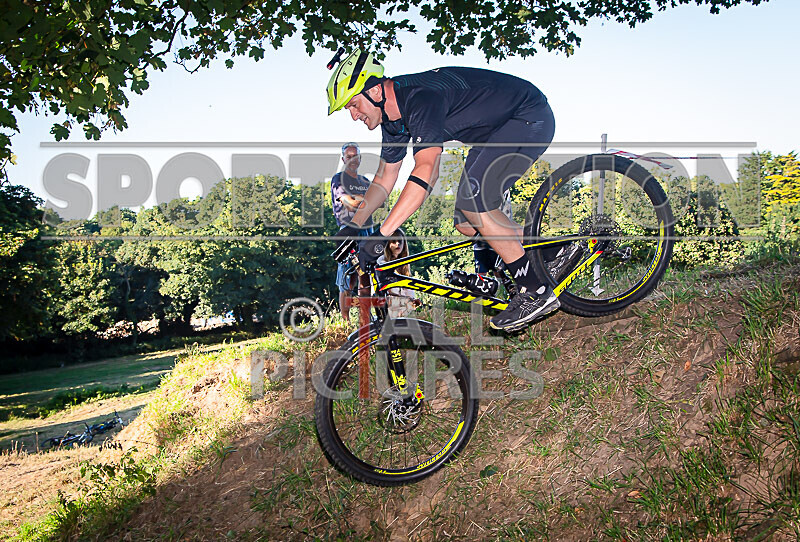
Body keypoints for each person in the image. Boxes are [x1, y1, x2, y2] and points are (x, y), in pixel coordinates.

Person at [327, 49, 557, 330]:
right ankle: (551, 251)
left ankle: (535, 291)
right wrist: (355, 224)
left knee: (474, 204)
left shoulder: (418, 97)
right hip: (493, 137)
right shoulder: (393, 120)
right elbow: (385, 177)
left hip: (527, 117)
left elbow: (426, 170)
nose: (353, 116)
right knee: (466, 223)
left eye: (353, 104)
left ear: (375, 90)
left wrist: (382, 235)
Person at [331, 142, 374, 321]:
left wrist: (361, 200)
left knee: (366, 276)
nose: (352, 159)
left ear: (360, 158)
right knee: (347, 277)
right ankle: (346, 320)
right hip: (348, 231)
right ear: (343, 159)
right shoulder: (338, 179)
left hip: (368, 230)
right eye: (348, 156)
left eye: (355, 156)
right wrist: (364, 200)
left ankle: (365, 317)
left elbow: (378, 201)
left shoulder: (365, 181)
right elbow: (348, 202)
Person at [377, 229, 421, 318]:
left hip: (402, 308)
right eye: (394, 241)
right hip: (389, 306)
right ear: (388, 243)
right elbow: (386, 291)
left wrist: (412, 301)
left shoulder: (404, 265)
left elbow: (409, 291)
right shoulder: (381, 261)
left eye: (400, 241)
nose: (397, 244)